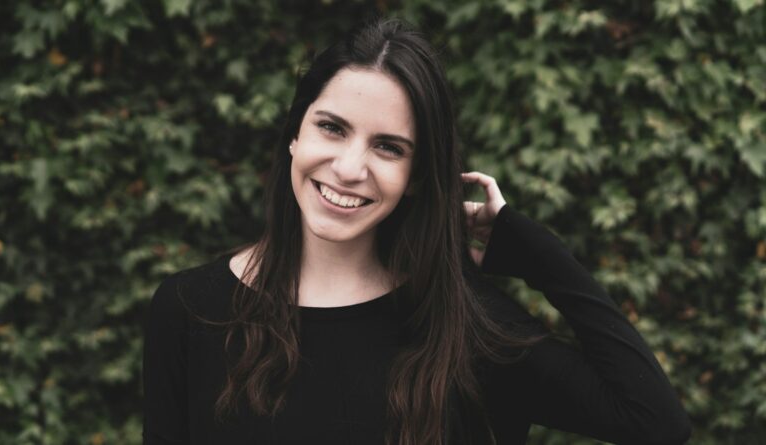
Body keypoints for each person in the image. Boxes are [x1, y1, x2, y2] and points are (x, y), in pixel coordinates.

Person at [143, 18, 691, 445]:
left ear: (416, 177)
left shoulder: (463, 326)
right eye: (332, 128)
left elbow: (653, 423)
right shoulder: (190, 308)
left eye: (388, 147)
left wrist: (538, 254)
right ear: (294, 134)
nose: (350, 168)